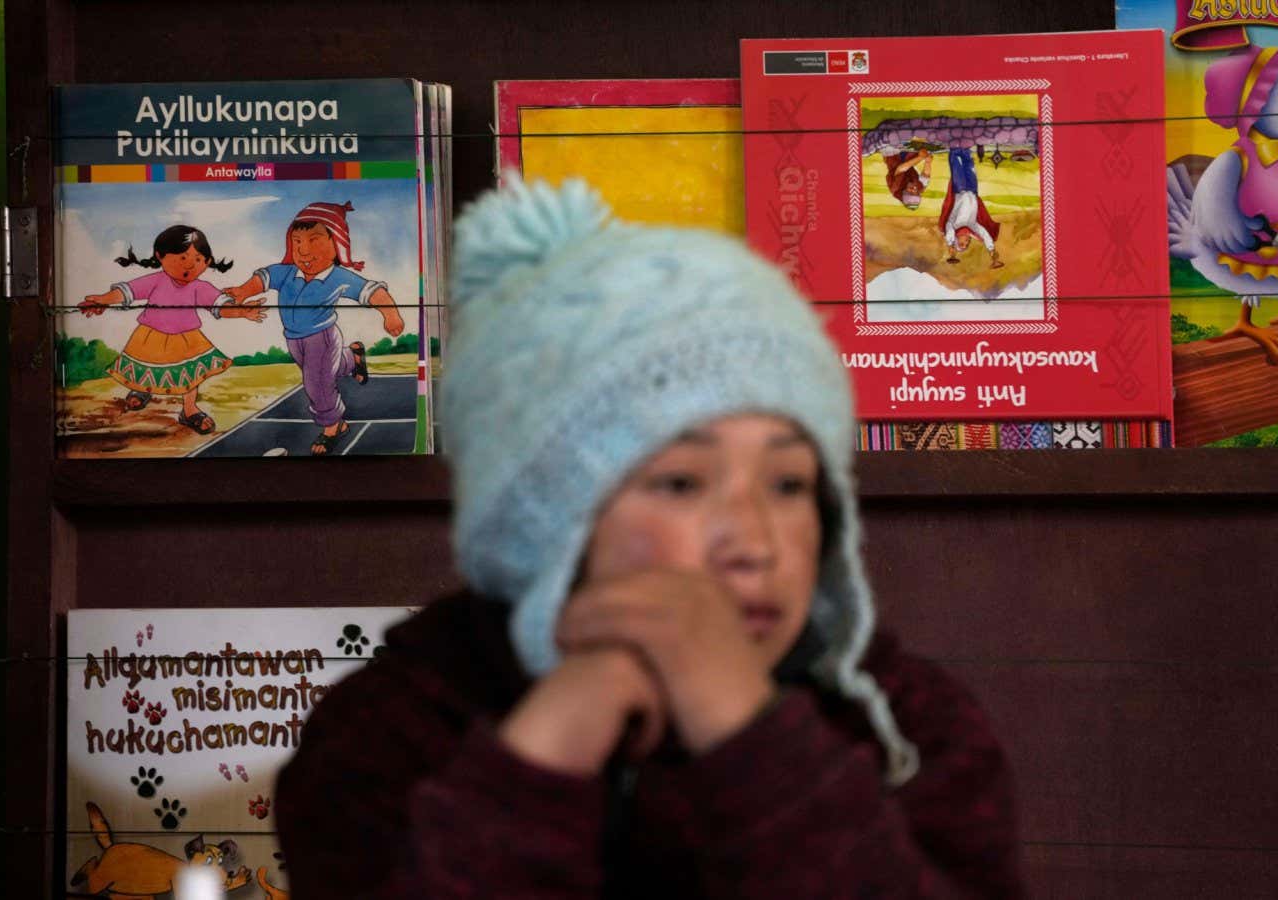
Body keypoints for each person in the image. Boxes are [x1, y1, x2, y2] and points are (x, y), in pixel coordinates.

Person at [274, 179, 1023, 898]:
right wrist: (548, 752)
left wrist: (746, 729)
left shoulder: (903, 724)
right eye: (681, 483)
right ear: (544, 522)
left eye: (790, 484)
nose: (756, 543)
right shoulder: (390, 733)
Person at [220, 201, 405, 454]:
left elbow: (374, 292)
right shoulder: (286, 273)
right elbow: (262, 278)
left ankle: (334, 425)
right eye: (297, 242)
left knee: (316, 382)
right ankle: (353, 357)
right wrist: (242, 292)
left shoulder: (339, 277)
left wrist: (391, 315)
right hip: (294, 339)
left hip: (322, 337)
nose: (303, 250)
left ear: (336, 244)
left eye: (314, 240)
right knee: (328, 370)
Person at [77, 224, 265, 434]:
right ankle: (142, 391)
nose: (190, 265)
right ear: (160, 256)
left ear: (207, 262)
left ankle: (189, 410)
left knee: (189, 375)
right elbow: (128, 291)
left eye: (197, 260)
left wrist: (241, 312)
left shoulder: (200, 287)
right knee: (145, 366)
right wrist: (103, 300)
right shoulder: (155, 280)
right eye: (182, 257)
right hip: (150, 335)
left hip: (187, 338)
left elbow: (221, 307)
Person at [938, 148, 1003, 268]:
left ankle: (954, 145)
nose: (967, 241)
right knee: (969, 163)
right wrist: (991, 249)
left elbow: (949, 231)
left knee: (956, 162)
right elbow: (984, 235)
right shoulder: (972, 226)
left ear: (957, 239)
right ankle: (965, 146)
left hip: (960, 188)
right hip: (972, 190)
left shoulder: (953, 226)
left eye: (962, 243)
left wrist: (951, 244)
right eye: (967, 243)